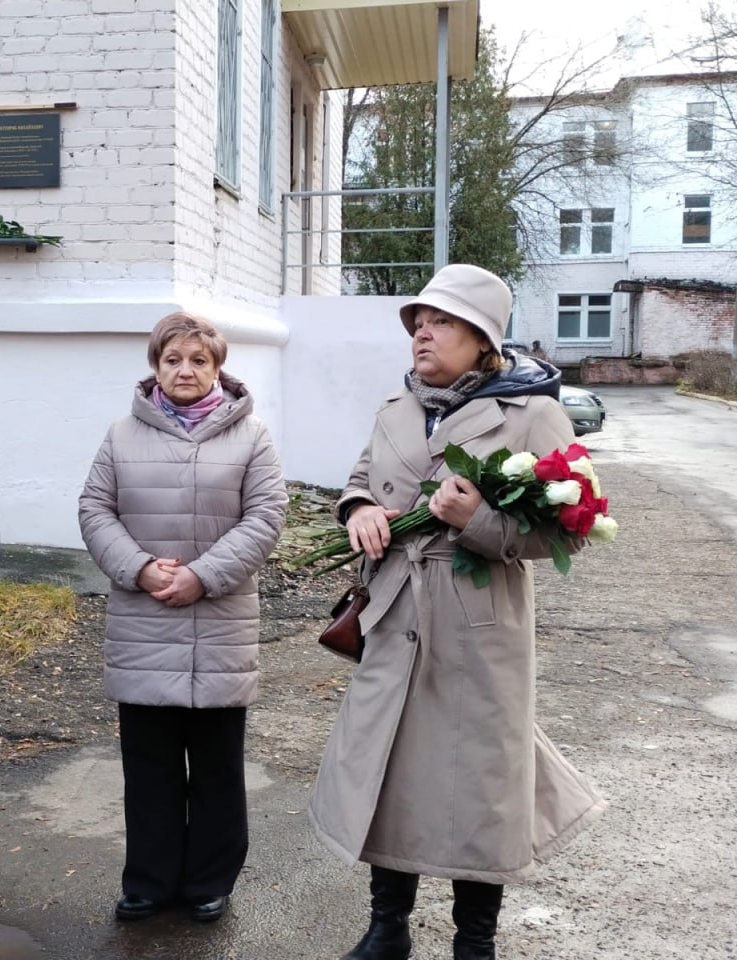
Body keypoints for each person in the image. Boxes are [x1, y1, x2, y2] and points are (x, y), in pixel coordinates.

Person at [307, 264, 607, 960]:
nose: (422, 333)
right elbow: (358, 479)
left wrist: (478, 520)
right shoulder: (397, 408)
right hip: (393, 615)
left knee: (480, 790)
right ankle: (388, 930)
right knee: (390, 774)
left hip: (476, 628)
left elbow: (570, 530)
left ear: (481, 338)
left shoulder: (533, 414)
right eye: (418, 322)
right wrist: (357, 512)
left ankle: (476, 942)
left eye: (439, 322)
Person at [78, 312, 287, 925]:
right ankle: (148, 880)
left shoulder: (252, 438)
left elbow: (266, 516)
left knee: (218, 766)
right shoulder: (122, 435)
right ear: (156, 367)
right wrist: (140, 569)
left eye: (199, 360)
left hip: (219, 623)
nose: (185, 370)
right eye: (173, 360)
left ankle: (208, 880)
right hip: (144, 621)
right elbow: (95, 509)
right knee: (149, 765)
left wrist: (203, 575)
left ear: (218, 366)